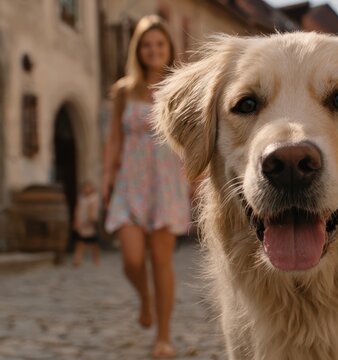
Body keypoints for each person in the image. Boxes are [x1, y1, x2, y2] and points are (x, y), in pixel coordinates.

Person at [102, 15, 190, 359]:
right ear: (138, 50)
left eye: (159, 44)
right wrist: (107, 176)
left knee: (161, 262)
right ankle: (145, 298)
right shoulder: (125, 90)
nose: (153, 50)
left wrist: (195, 179)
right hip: (130, 182)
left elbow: (188, 139)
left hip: (167, 183)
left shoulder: (179, 90)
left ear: (169, 49)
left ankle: (163, 336)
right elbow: (113, 139)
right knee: (131, 259)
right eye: (146, 45)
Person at [73, 181, 100, 266]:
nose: (86, 189)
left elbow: (92, 210)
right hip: (82, 222)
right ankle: (77, 259)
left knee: (94, 243)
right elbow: (77, 209)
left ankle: (96, 259)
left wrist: (90, 220)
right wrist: (76, 221)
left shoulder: (94, 198)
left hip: (89, 223)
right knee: (80, 241)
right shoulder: (81, 198)